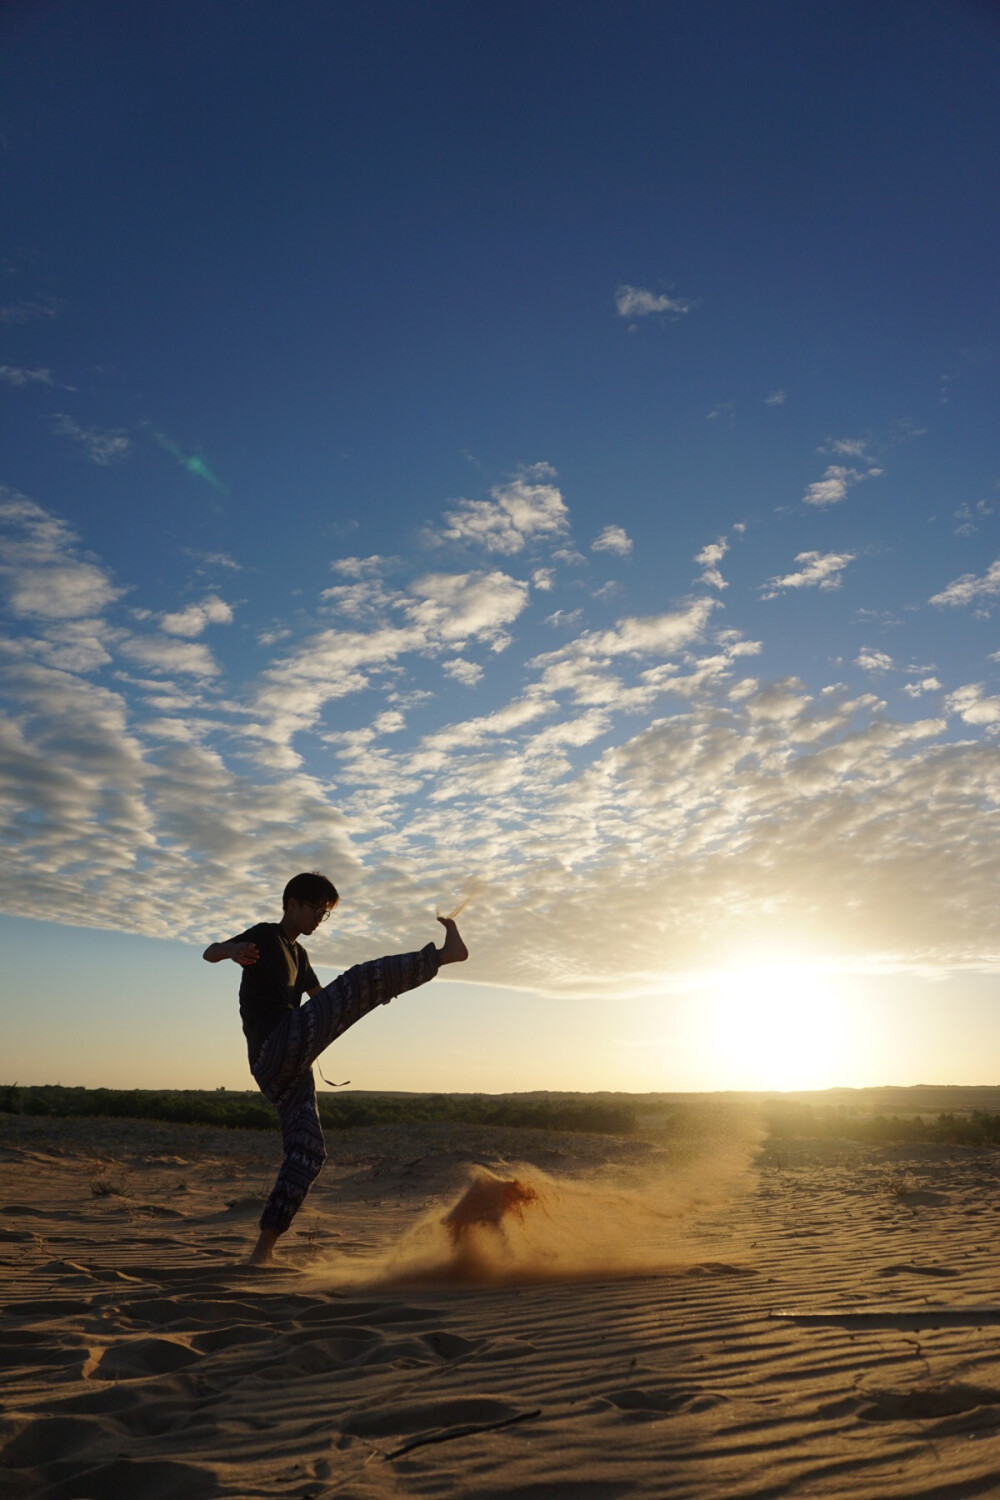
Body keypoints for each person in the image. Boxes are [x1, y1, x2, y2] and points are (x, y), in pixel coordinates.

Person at [203, 871, 468, 1265]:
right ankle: (444, 956)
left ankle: (263, 1251)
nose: (317, 919)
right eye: (315, 909)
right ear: (292, 903)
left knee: (308, 1150)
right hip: (277, 1046)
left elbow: (322, 999)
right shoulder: (264, 936)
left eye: (324, 914)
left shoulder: (301, 956)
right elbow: (210, 951)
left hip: (288, 1064)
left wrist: (374, 993)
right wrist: (232, 950)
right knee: (360, 977)